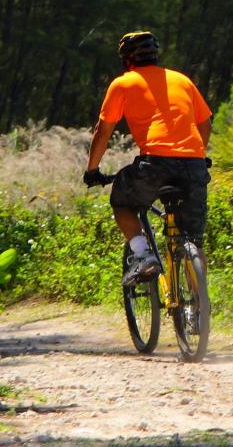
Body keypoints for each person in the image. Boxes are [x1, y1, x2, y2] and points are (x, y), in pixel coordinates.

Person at [84, 30, 212, 287]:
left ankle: (143, 254)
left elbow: (103, 130)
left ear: (126, 59)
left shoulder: (123, 83)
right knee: (193, 241)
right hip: (194, 165)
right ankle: (198, 308)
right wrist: (198, 153)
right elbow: (205, 121)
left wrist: (92, 169)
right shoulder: (182, 80)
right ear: (155, 55)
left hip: (155, 163)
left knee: (122, 201)